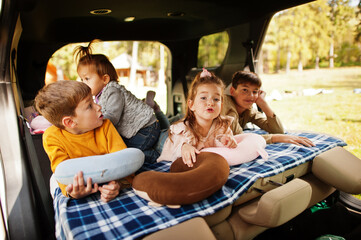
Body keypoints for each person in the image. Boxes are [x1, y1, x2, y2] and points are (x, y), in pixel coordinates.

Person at [35, 80, 131, 202]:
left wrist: (117, 184)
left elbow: (123, 162)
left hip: (107, 175)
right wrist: (74, 193)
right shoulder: (51, 136)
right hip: (77, 181)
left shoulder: (105, 126)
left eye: (93, 101)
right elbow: (62, 171)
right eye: (89, 106)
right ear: (70, 122)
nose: (98, 106)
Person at [74, 41, 160, 163]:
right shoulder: (98, 95)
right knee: (121, 150)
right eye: (82, 79)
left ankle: (157, 156)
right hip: (137, 130)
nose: (83, 83)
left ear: (105, 79)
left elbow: (112, 117)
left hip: (145, 127)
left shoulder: (113, 91)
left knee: (129, 154)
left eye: (87, 79)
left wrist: (93, 125)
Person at [157, 68, 237, 167]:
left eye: (216, 99)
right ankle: (157, 111)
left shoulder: (222, 126)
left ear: (221, 104)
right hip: (165, 140)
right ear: (191, 105)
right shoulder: (184, 129)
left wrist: (229, 142)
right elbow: (176, 148)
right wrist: (184, 147)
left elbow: (223, 144)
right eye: (203, 98)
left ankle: (157, 111)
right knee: (152, 138)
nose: (210, 103)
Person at [222, 70, 314, 147]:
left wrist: (263, 103)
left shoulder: (248, 110)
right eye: (245, 90)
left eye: (255, 92)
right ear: (232, 91)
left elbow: (278, 130)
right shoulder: (226, 105)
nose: (251, 96)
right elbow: (240, 138)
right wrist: (276, 138)